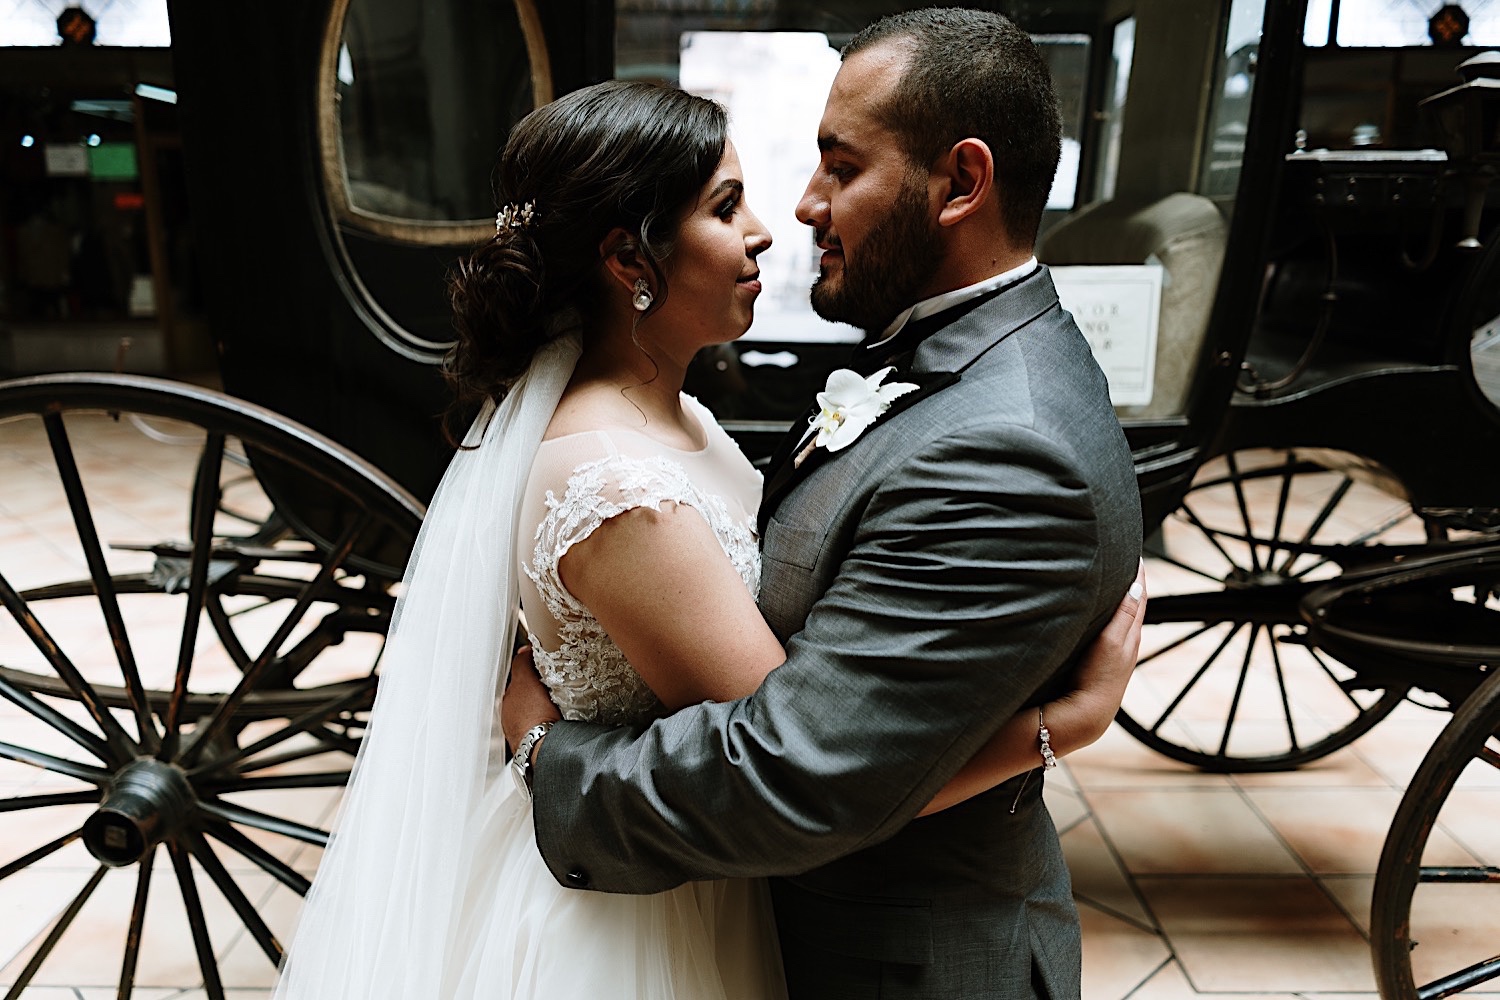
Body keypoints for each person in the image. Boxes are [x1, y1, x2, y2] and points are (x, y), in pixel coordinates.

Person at [274, 72, 1139, 1000]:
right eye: (727, 207)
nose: (771, 225)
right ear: (630, 260)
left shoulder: (680, 419)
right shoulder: (618, 485)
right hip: (639, 920)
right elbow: (805, 773)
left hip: (720, 877)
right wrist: (1057, 728)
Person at [499, 9, 1144, 1000]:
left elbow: (789, 776)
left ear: (962, 183)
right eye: (734, 201)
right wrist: (1060, 724)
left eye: (841, 168)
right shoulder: (937, 354)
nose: (800, 208)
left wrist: (549, 754)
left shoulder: (1005, 451)